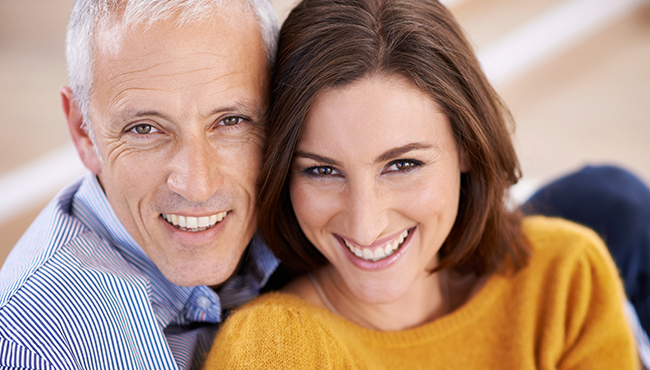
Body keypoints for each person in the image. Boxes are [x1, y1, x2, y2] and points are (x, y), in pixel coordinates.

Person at [203, 0, 637, 368]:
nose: (366, 223)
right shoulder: (273, 349)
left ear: (467, 145)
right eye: (321, 170)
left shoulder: (564, 277)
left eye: (402, 164)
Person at [0, 0, 280, 368]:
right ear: (83, 132)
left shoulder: (319, 223)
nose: (197, 185)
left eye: (232, 121)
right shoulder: (38, 345)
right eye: (144, 128)